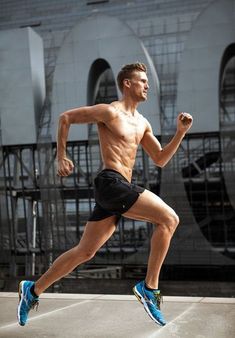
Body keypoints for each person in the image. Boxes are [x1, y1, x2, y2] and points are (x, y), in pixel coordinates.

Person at [17, 62, 193, 327]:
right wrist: (61, 156)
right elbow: (65, 118)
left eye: (147, 82)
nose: (147, 86)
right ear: (128, 84)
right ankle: (149, 288)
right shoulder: (110, 111)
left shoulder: (142, 123)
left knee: (85, 251)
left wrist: (180, 133)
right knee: (169, 219)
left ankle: (32, 290)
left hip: (118, 188)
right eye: (142, 81)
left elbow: (159, 158)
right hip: (111, 182)